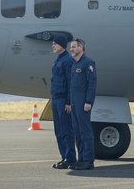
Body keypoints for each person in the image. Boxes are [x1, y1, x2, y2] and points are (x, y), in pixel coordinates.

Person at [66, 38, 97, 170]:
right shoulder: (74, 64)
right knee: (77, 132)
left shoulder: (88, 63)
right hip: (74, 102)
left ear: (81, 48)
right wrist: (69, 102)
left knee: (85, 132)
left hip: (83, 103)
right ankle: (81, 159)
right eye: (71, 47)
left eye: (74, 47)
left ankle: (89, 160)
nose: (71, 49)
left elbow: (92, 84)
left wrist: (88, 101)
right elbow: (71, 86)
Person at [50, 35, 76, 170]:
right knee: (59, 131)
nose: (53, 45)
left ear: (61, 45)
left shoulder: (67, 61)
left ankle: (70, 158)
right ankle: (64, 157)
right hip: (55, 99)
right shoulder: (59, 60)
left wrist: (68, 101)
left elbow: (71, 82)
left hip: (63, 100)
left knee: (66, 130)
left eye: (55, 43)